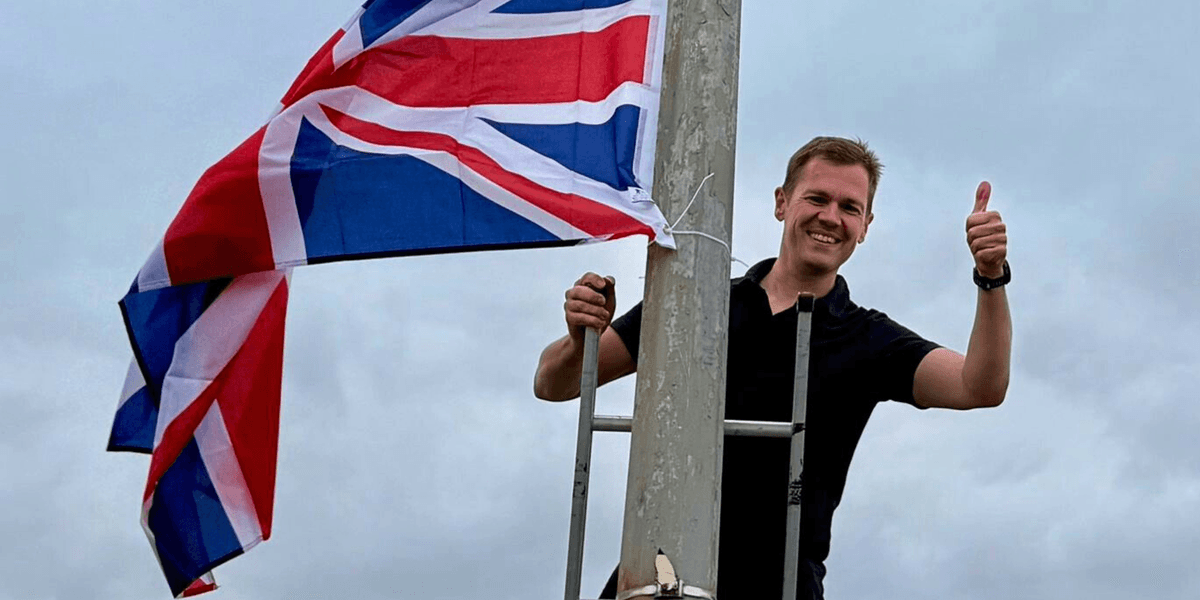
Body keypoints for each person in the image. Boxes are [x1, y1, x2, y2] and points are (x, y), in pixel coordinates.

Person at [533, 136, 1011, 600]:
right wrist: (582, 339)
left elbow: (980, 386)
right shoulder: (697, 301)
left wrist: (990, 277)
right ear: (782, 202)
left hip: (780, 586)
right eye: (817, 198)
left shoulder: (868, 339)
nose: (831, 217)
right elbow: (553, 382)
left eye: (850, 207)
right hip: (660, 578)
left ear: (866, 226)